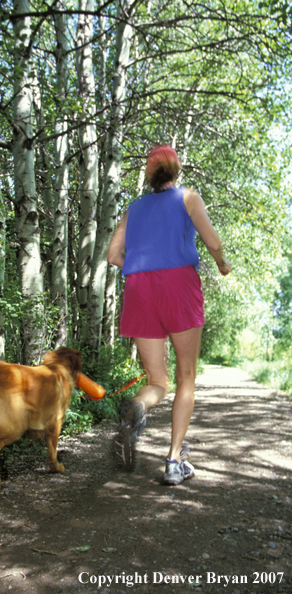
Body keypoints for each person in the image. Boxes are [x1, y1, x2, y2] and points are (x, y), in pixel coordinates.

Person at [107, 144, 231, 485]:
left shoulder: (134, 208)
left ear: (150, 174)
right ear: (175, 171)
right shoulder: (188, 197)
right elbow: (213, 242)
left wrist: (136, 268)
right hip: (179, 285)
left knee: (157, 382)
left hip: (139, 288)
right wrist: (222, 265)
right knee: (185, 377)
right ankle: (174, 461)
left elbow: (112, 255)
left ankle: (138, 407)